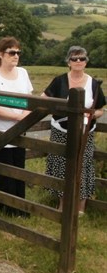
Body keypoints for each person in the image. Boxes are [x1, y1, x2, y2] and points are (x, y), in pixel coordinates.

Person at [42, 46, 105, 215]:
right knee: (61, 166)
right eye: (74, 59)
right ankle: (62, 206)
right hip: (61, 131)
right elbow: (44, 99)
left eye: (82, 59)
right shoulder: (59, 81)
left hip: (85, 132)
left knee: (82, 167)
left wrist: (90, 116)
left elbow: (100, 109)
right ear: (68, 62)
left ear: (86, 62)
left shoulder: (93, 83)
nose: (78, 62)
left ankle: (80, 209)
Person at [0, 37, 33, 217]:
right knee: (4, 173)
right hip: (0, 132)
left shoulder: (23, 73)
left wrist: (24, 117)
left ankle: (22, 210)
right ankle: (8, 210)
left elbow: (30, 99)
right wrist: (16, 116)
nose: (16, 56)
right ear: (0, 54)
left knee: (19, 170)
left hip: (20, 130)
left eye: (18, 52)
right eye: (12, 52)